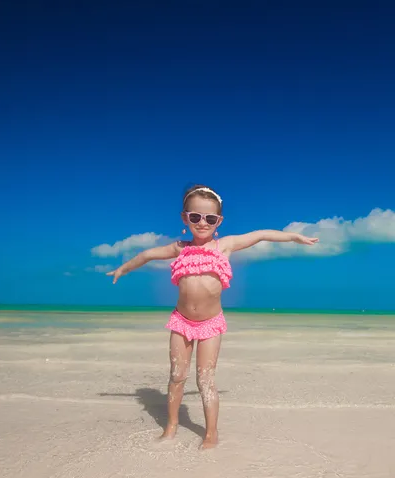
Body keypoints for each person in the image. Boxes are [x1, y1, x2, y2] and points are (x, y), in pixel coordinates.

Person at [107, 185, 319, 449]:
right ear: (185, 218)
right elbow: (147, 255)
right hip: (181, 322)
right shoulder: (179, 248)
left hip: (210, 324)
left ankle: (210, 434)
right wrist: (122, 269)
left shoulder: (225, 246)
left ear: (219, 221)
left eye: (210, 218)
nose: (202, 222)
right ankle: (171, 426)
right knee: (176, 375)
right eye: (195, 217)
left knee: (205, 378)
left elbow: (262, 235)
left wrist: (294, 237)